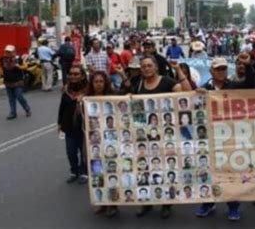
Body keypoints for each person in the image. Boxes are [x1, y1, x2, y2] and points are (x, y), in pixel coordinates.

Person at [119, 56, 191, 219]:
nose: (146, 68)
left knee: (165, 168)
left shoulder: (167, 82)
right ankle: (147, 201)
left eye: (149, 65)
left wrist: (178, 69)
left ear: (156, 67)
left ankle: (166, 203)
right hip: (145, 135)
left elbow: (186, 93)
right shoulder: (139, 83)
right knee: (144, 168)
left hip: (166, 134)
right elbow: (134, 105)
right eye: (143, 66)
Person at [195, 54, 255, 221]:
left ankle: (233, 206)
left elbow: (251, 84)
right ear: (211, 71)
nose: (221, 72)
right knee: (208, 171)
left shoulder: (234, 85)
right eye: (218, 69)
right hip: (211, 136)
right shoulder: (204, 88)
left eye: (223, 69)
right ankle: (208, 202)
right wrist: (198, 96)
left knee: (230, 171)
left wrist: (248, 65)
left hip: (230, 135)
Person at [86, 71, 118, 218]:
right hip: (94, 142)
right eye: (95, 82)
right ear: (91, 84)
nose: (98, 84)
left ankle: (113, 203)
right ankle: (102, 202)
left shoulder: (113, 98)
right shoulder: (87, 100)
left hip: (111, 141)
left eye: (101, 81)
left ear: (105, 83)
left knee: (111, 172)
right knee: (98, 172)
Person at [57, 65, 88, 184]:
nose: (73, 76)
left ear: (82, 76)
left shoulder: (89, 90)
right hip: (69, 127)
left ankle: (84, 172)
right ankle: (74, 171)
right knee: (71, 151)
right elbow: (62, 108)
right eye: (71, 74)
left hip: (85, 128)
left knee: (84, 151)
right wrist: (59, 123)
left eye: (76, 74)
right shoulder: (66, 90)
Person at [0, 45, 31, 119]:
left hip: (18, 81)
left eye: (9, 52)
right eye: (6, 52)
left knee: (19, 96)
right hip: (8, 82)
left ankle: (27, 108)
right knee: (11, 98)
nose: (7, 53)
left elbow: (25, 66)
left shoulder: (18, 59)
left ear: (14, 52)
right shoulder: (2, 59)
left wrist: (19, 66)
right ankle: (13, 113)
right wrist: (1, 72)